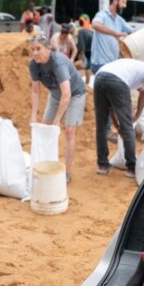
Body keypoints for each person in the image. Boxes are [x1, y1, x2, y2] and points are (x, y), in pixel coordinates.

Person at [28, 35, 86, 182]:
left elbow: (67, 94)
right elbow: (35, 90)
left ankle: (66, 172)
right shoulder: (34, 65)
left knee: (69, 131)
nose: (35, 53)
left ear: (49, 48)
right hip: (55, 94)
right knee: (45, 128)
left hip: (75, 94)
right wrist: (33, 115)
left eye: (38, 49)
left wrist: (57, 120)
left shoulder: (58, 63)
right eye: (32, 49)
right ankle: (44, 164)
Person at [93, 58, 144, 178]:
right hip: (117, 80)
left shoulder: (132, 68)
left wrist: (117, 126)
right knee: (128, 127)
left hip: (99, 77)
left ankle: (102, 165)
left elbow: (111, 108)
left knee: (101, 126)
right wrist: (137, 115)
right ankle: (132, 167)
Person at [90, 0, 133, 73]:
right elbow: (95, 25)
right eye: (123, 2)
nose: (125, 6)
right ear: (115, 1)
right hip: (100, 63)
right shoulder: (102, 15)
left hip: (113, 63)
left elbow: (133, 31)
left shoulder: (120, 20)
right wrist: (115, 33)